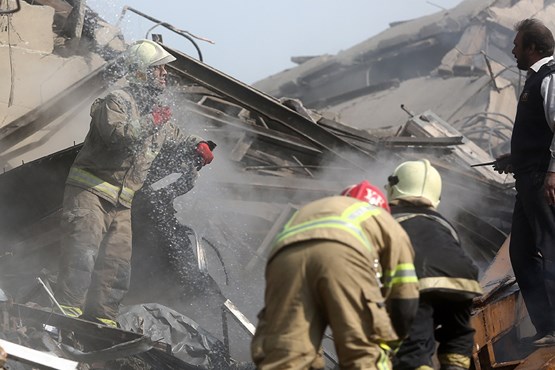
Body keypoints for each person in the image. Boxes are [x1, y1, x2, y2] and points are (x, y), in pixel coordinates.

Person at [54, 39, 214, 327]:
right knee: (82, 257)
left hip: (122, 203)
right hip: (91, 193)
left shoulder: (156, 112)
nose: (165, 73)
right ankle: (64, 321)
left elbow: (176, 136)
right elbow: (118, 138)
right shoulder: (116, 101)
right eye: (158, 68)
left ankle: (102, 323)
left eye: (165, 69)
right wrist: (152, 121)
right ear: (141, 72)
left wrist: (199, 144)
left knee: (116, 268)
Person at [251, 180, 419, 370]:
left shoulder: (317, 208)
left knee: (286, 352)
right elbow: (405, 299)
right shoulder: (386, 221)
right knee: (363, 353)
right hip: (344, 255)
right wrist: (391, 344)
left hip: (284, 256)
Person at [385, 159, 482, 370]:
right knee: (458, 333)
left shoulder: (385, 220)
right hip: (461, 279)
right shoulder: (444, 225)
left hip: (414, 277)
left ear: (393, 189)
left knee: (412, 345)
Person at [494, 18, 555, 346]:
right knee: (521, 252)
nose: (513, 50)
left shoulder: (551, 78)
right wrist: (513, 159)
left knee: (550, 247)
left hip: (541, 181)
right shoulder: (535, 80)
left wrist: (553, 173)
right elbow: (539, 135)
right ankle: (547, 326)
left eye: (517, 45)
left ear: (532, 48)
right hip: (527, 180)